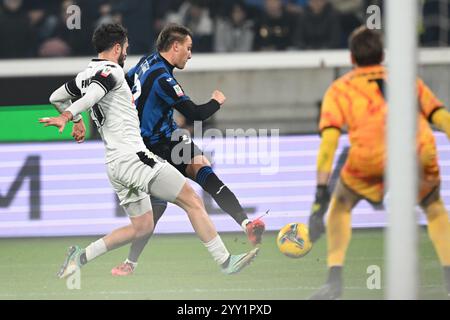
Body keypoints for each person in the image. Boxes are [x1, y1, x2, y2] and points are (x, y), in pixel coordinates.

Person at [39, 23, 259, 279]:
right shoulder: (112, 72)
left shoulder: (84, 76)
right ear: (117, 48)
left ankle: (81, 256)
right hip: (135, 157)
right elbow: (93, 95)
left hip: (114, 165)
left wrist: (76, 121)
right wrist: (69, 115)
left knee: (142, 227)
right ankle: (225, 261)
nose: (127, 53)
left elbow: (56, 96)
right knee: (192, 200)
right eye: (126, 48)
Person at [110, 23, 265, 276]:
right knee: (155, 211)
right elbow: (194, 113)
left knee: (203, 169)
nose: (190, 55)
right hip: (150, 146)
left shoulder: (147, 61)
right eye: (188, 49)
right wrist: (216, 101)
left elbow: (126, 84)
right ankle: (130, 262)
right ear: (175, 46)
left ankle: (246, 223)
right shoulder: (164, 78)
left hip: (169, 136)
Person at [308, 26, 450, 299]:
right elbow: (440, 117)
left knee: (340, 206)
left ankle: (334, 280)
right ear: (382, 54)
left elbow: (329, 144)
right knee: (433, 207)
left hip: (370, 157)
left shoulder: (341, 89)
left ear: (352, 58)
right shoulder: (408, 80)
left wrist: (319, 198)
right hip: (418, 152)